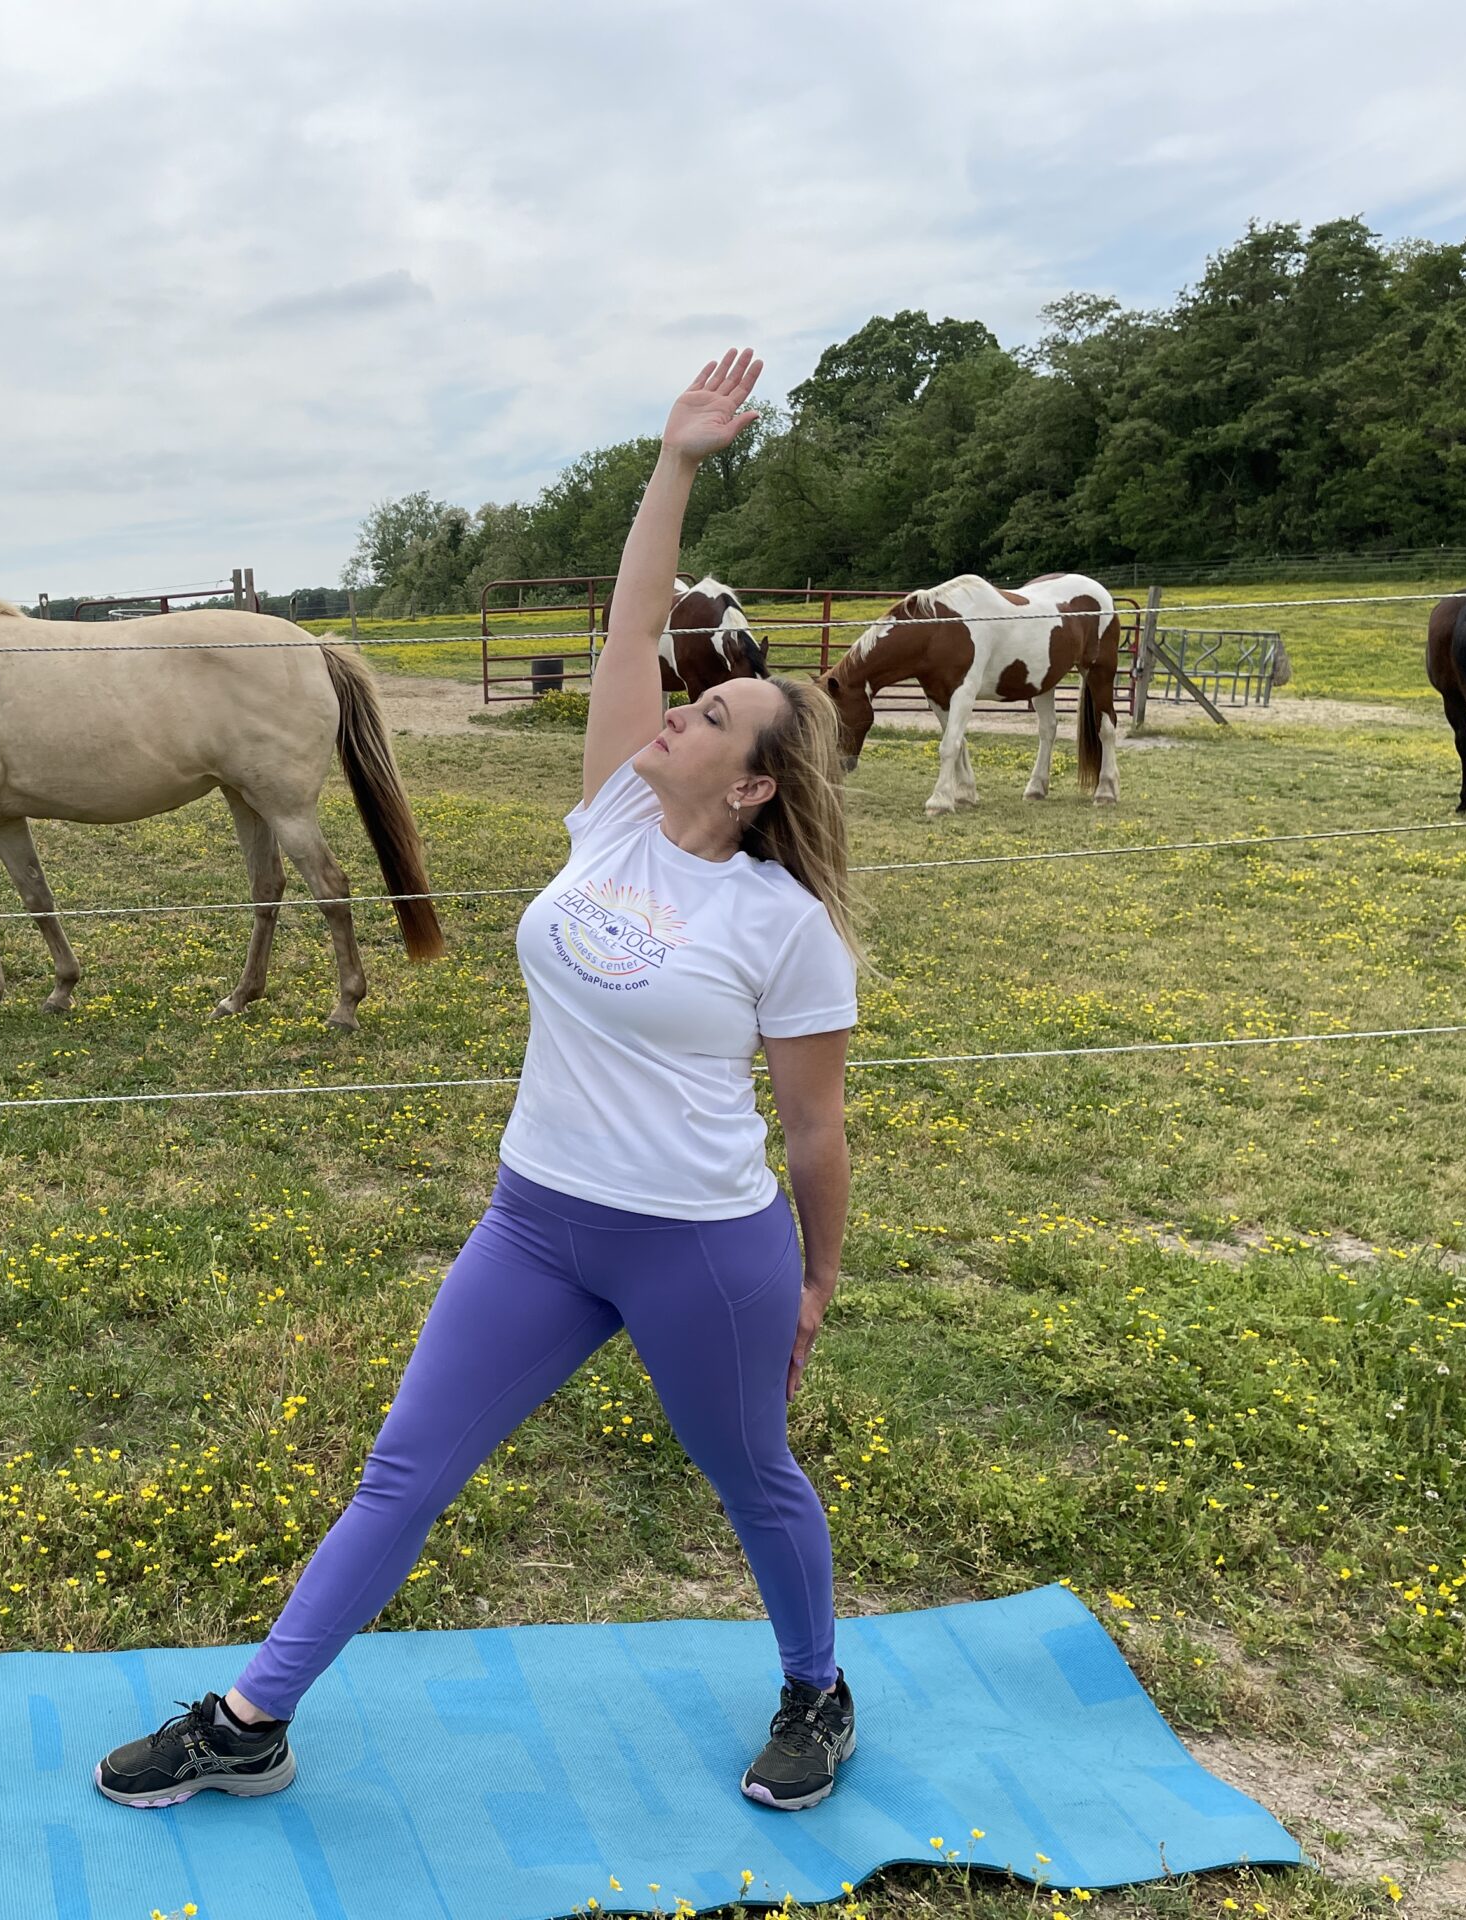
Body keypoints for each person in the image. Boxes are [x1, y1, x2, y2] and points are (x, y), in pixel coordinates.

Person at [96, 349, 862, 1814]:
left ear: (754, 783)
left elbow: (817, 1128)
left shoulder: (785, 927)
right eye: (686, 702)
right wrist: (678, 462)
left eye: (710, 720)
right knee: (406, 1469)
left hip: (704, 1247)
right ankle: (254, 1718)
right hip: (539, 1223)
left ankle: (817, 1690)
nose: (679, 713)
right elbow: (638, 615)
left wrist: (816, 1280)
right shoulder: (613, 820)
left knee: (752, 1477)